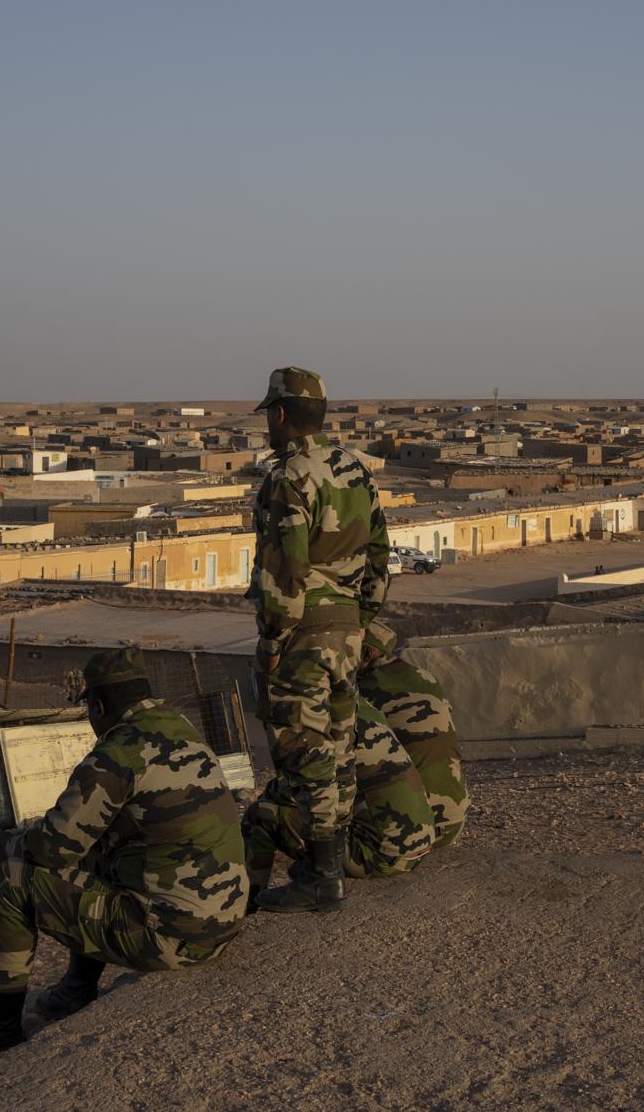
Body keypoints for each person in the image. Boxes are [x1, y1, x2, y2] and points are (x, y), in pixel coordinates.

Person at [0, 647, 248, 1076]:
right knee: (95, 853)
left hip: (172, 939)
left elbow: (53, 847)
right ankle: (76, 988)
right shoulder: (180, 728)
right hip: (219, 921)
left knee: (13, 880)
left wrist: (9, 845)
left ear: (97, 706)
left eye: (90, 711)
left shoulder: (118, 753)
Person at [246, 365, 390, 912]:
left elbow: (285, 570)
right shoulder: (356, 471)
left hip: (303, 635)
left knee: (304, 754)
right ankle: (330, 863)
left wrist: (274, 639)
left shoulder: (291, 477)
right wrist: (363, 616)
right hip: (347, 633)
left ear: (281, 415)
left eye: (270, 416)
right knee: (339, 746)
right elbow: (380, 556)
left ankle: (322, 875)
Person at [245, 696, 435, 899]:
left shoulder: (312, 720)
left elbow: (300, 792)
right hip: (419, 844)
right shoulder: (357, 704)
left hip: (380, 856)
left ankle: (248, 901)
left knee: (260, 815)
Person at [357, 620, 469, 848]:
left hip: (416, 830)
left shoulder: (366, 689)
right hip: (454, 823)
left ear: (366, 652)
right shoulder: (424, 676)